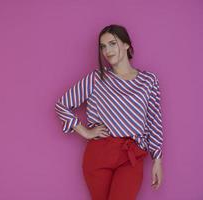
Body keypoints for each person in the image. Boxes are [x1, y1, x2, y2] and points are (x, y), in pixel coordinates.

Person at [54, 24, 163, 200]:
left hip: (131, 155)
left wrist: (157, 159)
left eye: (112, 43)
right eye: (103, 46)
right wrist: (85, 132)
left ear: (127, 44)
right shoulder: (97, 77)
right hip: (99, 154)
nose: (107, 50)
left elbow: (154, 120)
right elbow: (62, 104)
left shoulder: (148, 80)